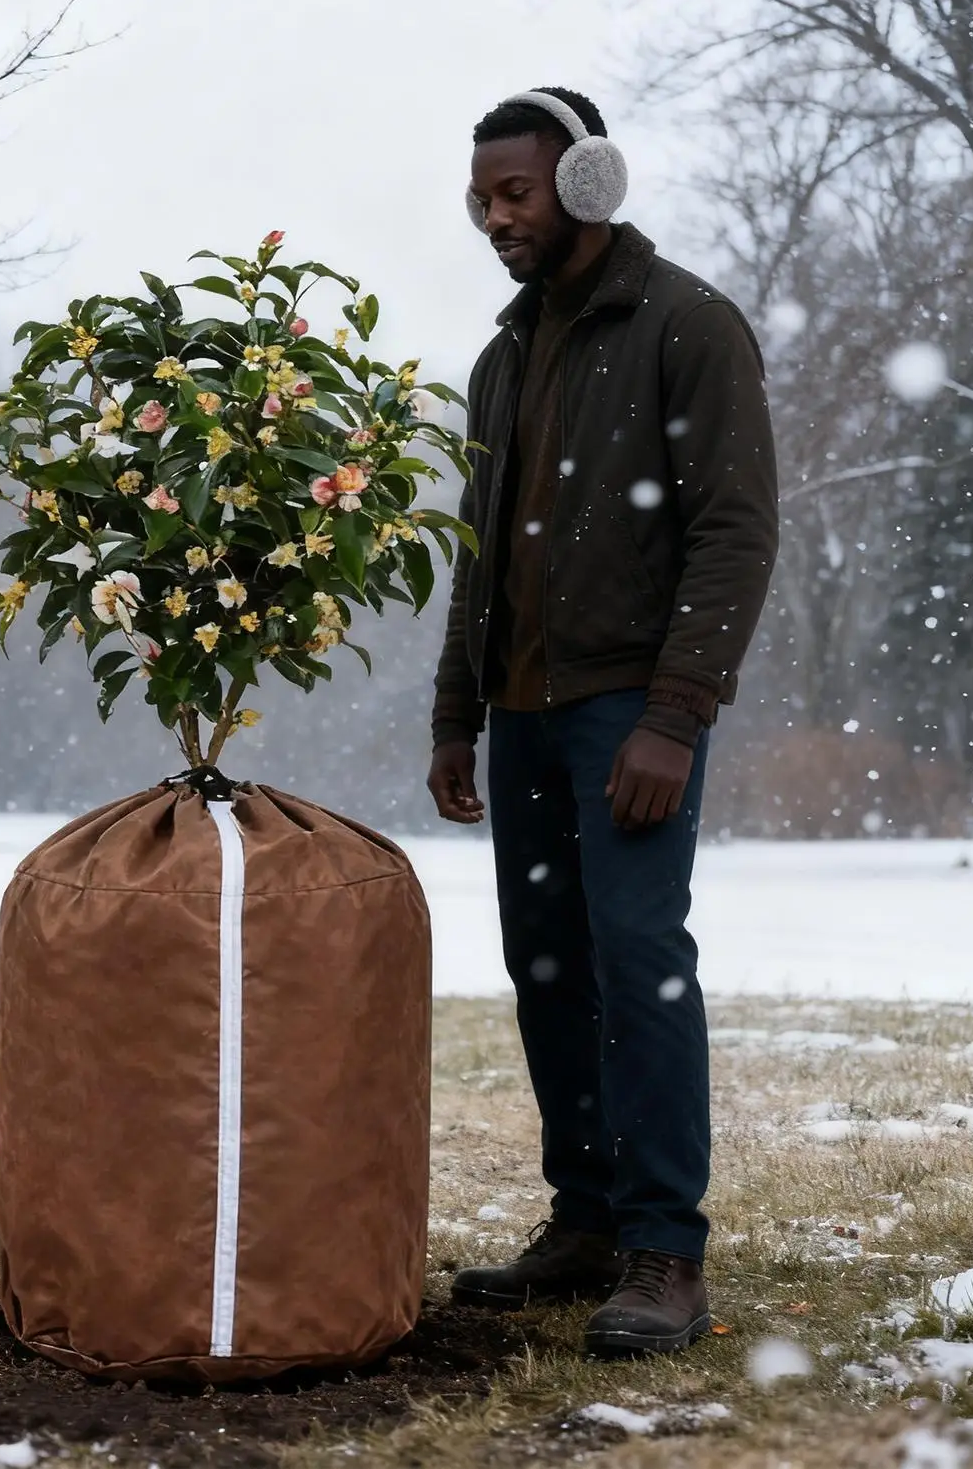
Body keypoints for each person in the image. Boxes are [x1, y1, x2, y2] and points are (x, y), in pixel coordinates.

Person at [428, 87, 778, 1357]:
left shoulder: (685, 325)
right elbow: (477, 559)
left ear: (586, 183)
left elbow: (734, 532)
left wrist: (674, 715)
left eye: (513, 192)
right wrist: (454, 715)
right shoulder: (501, 357)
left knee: (639, 964)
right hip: (519, 716)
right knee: (548, 972)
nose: (492, 217)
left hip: (628, 709)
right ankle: (581, 1220)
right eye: (479, 197)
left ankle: (661, 1249)